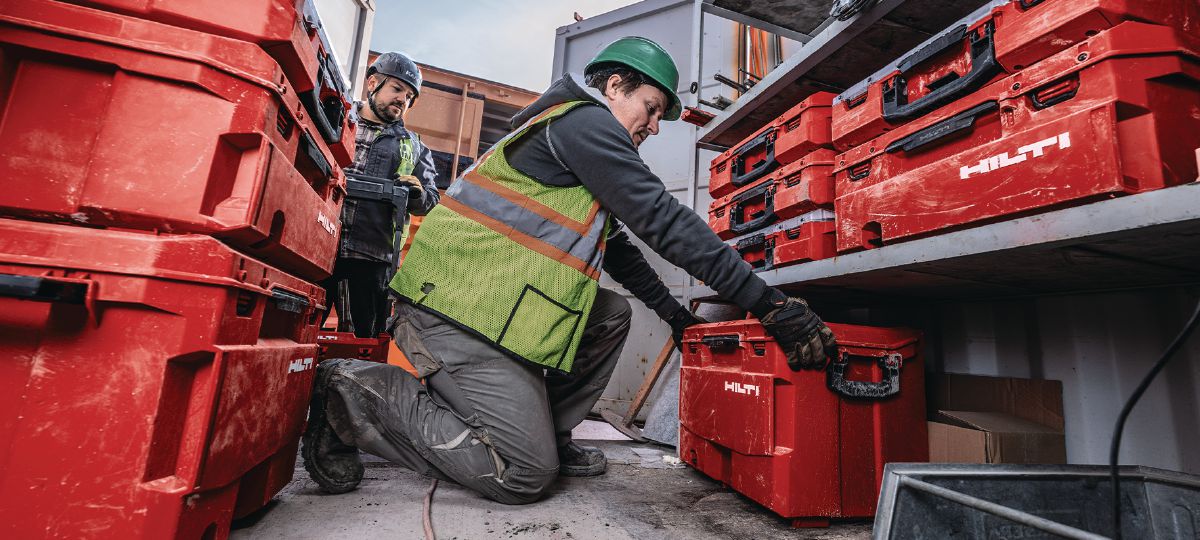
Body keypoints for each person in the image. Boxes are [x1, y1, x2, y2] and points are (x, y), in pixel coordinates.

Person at [303, 37, 836, 504]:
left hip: (488, 303)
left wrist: (676, 316)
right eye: (650, 109)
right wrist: (770, 305)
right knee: (524, 474)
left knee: (609, 313)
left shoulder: (580, 140)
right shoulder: (585, 123)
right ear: (616, 85)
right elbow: (663, 221)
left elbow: (623, 251)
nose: (653, 127)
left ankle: (547, 430)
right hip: (452, 312)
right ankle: (350, 388)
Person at [320, 51, 440, 338]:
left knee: (362, 343)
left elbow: (430, 202)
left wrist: (417, 193)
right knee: (294, 331)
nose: (403, 100)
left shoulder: (415, 146)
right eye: (397, 89)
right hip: (316, 241)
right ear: (373, 83)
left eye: (409, 97)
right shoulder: (337, 119)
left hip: (370, 257)